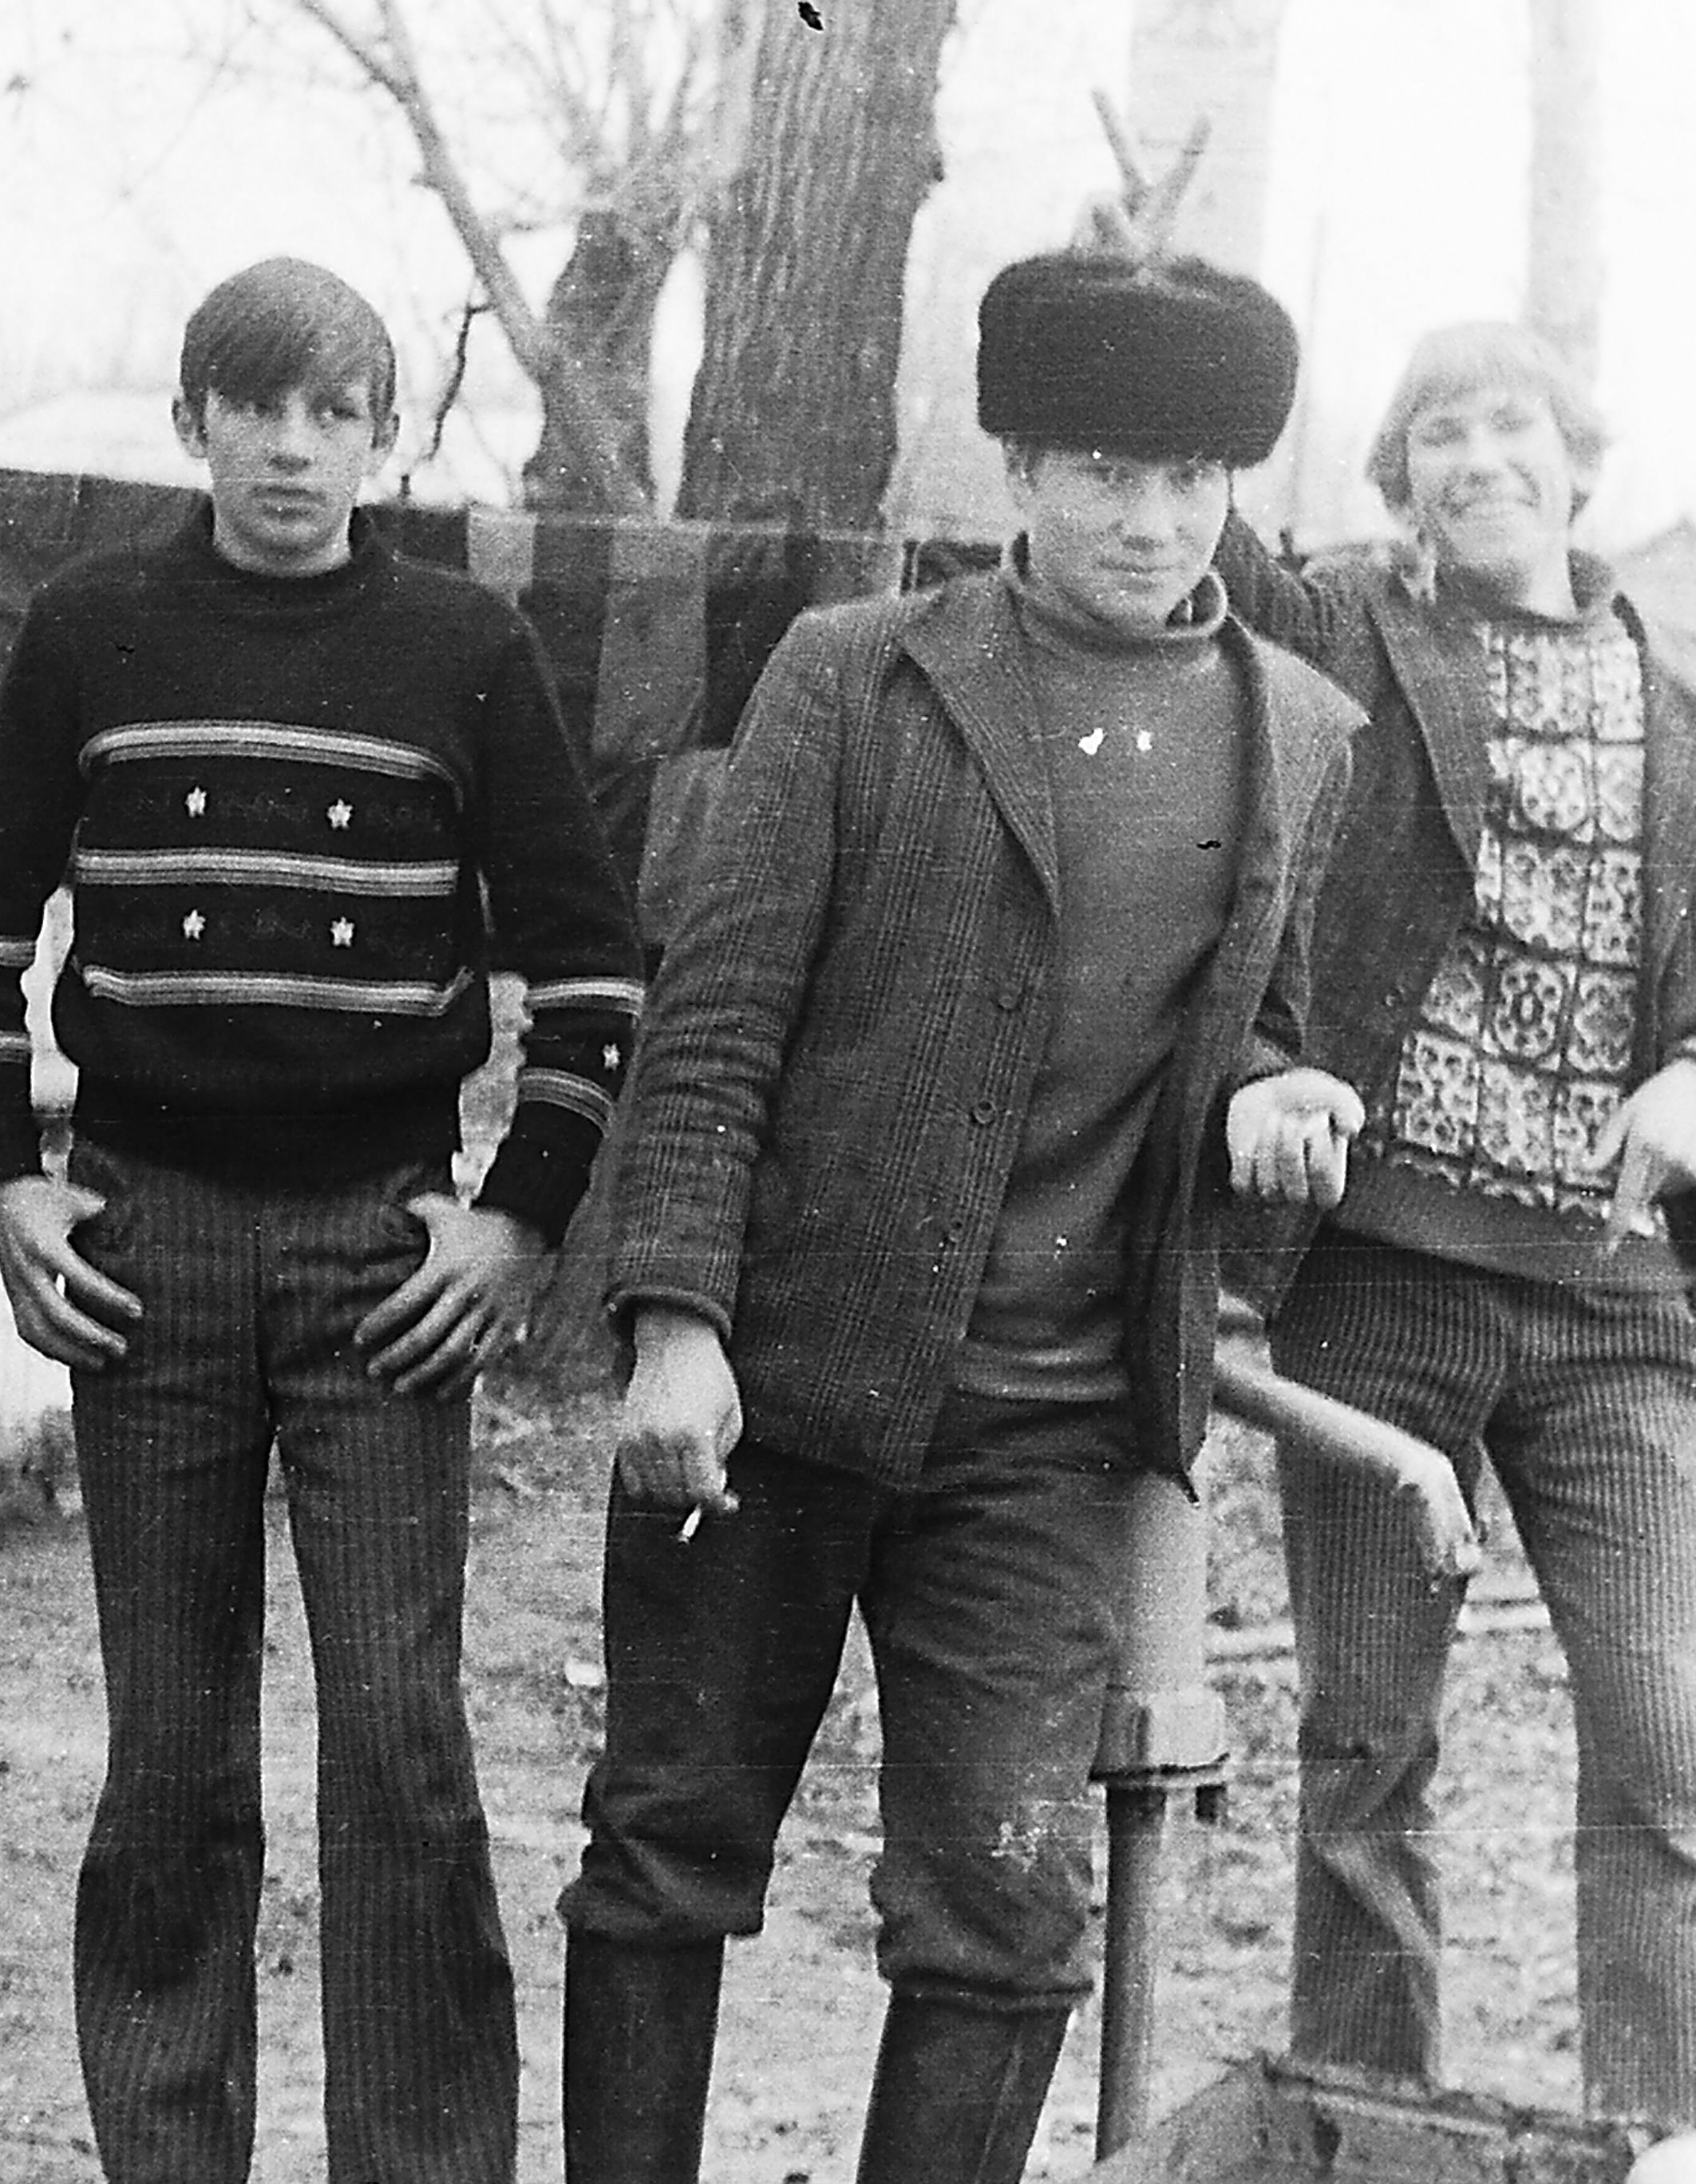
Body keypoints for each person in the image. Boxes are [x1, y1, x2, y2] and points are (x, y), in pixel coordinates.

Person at [558, 243, 1367, 2184]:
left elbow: (1257, 1022)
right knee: (668, 1852)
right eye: (1103, 469)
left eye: (1192, 476)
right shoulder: (857, 672)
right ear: (1016, 467)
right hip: (777, 1390)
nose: (1149, 520)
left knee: (1007, 1919)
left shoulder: (1298, 733)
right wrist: (675, 1323)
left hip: (1050, 1433)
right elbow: (716, 1016)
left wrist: (1275, 1095)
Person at [0, 255, 643, 2184]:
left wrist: (516, 1222)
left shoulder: (467, 644)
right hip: (140, 1251)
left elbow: (591, 974)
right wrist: (3, 1181)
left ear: (386, 438)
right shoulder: (89, 628)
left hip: (380, 1261)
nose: (295, 449)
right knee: (172, 1755)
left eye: (336, 412)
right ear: (195, 425)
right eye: (258, 407)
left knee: (401, 1745)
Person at [1213, 322, 1696, 2148]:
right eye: (1439, 435)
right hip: (1380, 1294)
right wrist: (1160, 301)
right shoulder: (1347, 633)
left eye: (1511, 426)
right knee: (1367, 1757)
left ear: (1578, 460)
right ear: (1399, 479)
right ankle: (1373, 2136)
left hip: (1623, 1311)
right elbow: (1215, 553)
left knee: (1663, 1751)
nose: (1479, 459)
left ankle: (1685, 2146)